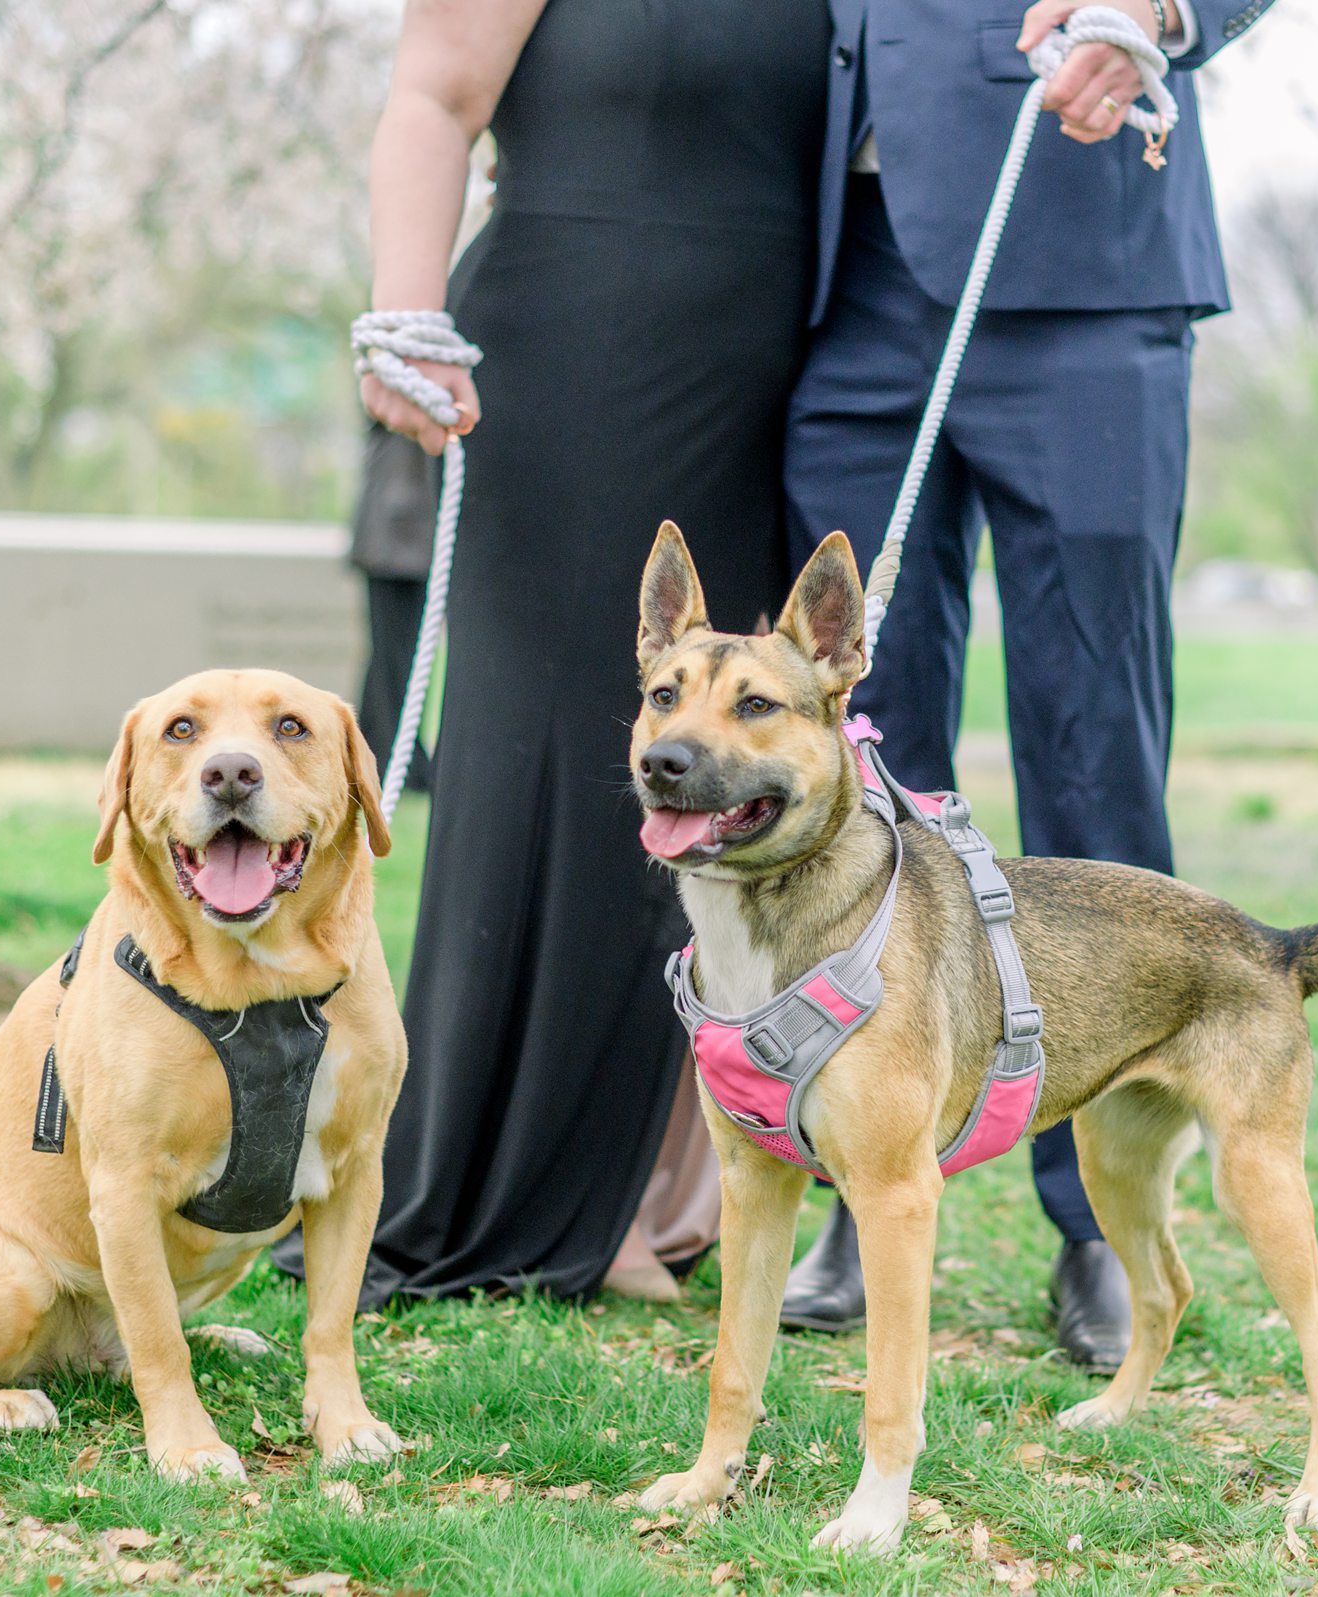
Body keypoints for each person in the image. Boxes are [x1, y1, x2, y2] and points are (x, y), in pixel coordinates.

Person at [308, 0, 830, 1307]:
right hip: (571, 350)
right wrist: (403, 312)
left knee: (723, 775)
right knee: (555, 764)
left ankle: (664, 1195)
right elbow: (432, 97)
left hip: (776, 372)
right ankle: (523, 1195)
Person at [779, 0, 1273, 1368]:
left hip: (1080, 263)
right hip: (844, 282)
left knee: (1093, 748)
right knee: (857, 772)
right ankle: (851, 1175)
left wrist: (1166, 8)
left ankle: (1102, 1224)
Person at [347, 426, 437, 795]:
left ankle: (383, 754)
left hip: (406, 536)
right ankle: (390, 759)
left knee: (399, 657)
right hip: (396, 536)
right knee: (393, 657)